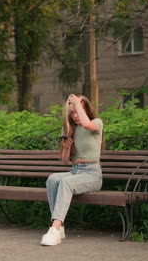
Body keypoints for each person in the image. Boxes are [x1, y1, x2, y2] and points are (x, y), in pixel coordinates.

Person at [41, 94, 104, 246]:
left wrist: (76, 101)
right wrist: (66, 148)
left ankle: (54, 229)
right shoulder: (72, 130)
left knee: (66, 183)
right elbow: (64, 161)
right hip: (75, 171)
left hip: (92, 174)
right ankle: (60, 227)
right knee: (53, 179)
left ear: (85, 109)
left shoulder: (96, 123)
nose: (75, 116)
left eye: (78, 111)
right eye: (72, 113)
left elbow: (87, 124)